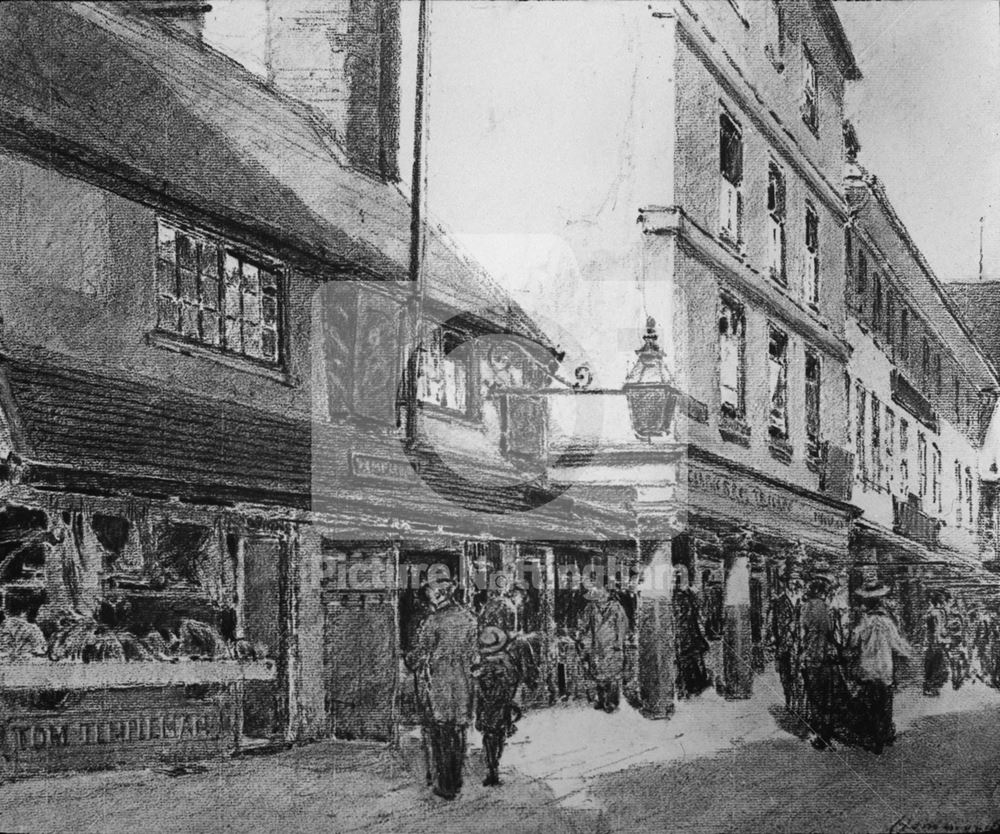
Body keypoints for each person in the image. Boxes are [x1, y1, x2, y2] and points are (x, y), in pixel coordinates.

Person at [405, 578, 479, 800]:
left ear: (439, 595)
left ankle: (444, 785)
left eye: (431, 594)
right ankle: (455, 782)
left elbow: (419, 653)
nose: (429, 598)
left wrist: (411, 660)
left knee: (440, 733)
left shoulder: (433, 621)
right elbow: (475, 654)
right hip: (463, 683)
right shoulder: (469, 618)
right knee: (458, 732)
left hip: (441, 683)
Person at [848, 580, 912, 754]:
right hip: (884, 669)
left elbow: (853, 642)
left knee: (869, 703)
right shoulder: (887, 622)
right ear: (881, 602)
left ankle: (871, 734)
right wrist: (908, 653)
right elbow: (897, 645)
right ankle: (884, 734)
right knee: (885, 702)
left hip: (867, 668)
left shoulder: (863, 622)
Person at [475, 626, 523, 787]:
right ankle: (494, 765)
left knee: (488, 736)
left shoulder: (482, 663)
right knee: (499, 734)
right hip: (501, 704)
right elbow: (514, 680)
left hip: (488, 704)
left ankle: (492, 766)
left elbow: (478, 685)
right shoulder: (506, 660)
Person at [799, 567, 838, 750]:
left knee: (814, 694)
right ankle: (826, 732)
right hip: (825, 655)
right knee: (827, 695)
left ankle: (817, 730)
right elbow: (833, 633)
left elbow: (800, 633)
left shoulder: (804, 608)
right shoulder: (827, 610)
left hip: (810, 655)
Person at [577, 585, 628, 712]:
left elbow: (622, 626)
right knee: (598, 673)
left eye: (602, 592)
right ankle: (600, 699)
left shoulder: (616, 607)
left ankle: (611, 702)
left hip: (612, 645)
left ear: (608, 593)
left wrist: (619, 643)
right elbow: (584, 623)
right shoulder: (591, 607)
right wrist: (581, 634)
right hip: (597, 645)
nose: (600, 595)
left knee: (612, 675)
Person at [673, 568, 711, 698]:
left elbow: (697, 611)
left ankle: (695, 684)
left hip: (690, 632)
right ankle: (691, 685)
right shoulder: (679, 597)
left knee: (693, 657)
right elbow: (683, 616)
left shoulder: (686, 595)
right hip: (685, 633)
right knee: (688, 659)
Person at [767, 573, 801, 712]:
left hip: (799, 642)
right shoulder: (779, 601)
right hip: (784, 642)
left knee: (798, 673)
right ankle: (788, 700)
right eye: (791, 581)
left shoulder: (802, 600)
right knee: (785, 673)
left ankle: (797, 702)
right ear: (785, 583)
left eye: (796, 581)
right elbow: (774, 622)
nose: (794, 584)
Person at [923, 591, 949, 696]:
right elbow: (938, 628)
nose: (944, 602)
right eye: (942, 600)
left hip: (933, 641)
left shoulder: (933, 612)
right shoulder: (937, 612)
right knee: (936, 663)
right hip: (935, 641)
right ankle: (932, 686)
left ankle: (931, 686)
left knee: (932, 663)